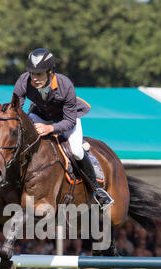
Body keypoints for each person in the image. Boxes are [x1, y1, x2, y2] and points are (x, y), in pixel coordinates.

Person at [13, 47, 114, 209]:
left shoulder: (65, 85)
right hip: (40, 114)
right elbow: (16, 108)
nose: (34, 78)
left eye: (39, 74)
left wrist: (50, 129)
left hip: (65, 119)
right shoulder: (24, 81)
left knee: (76, 151)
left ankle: (97, 190)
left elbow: (69, 121)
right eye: (32, 73)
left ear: (50, 72)